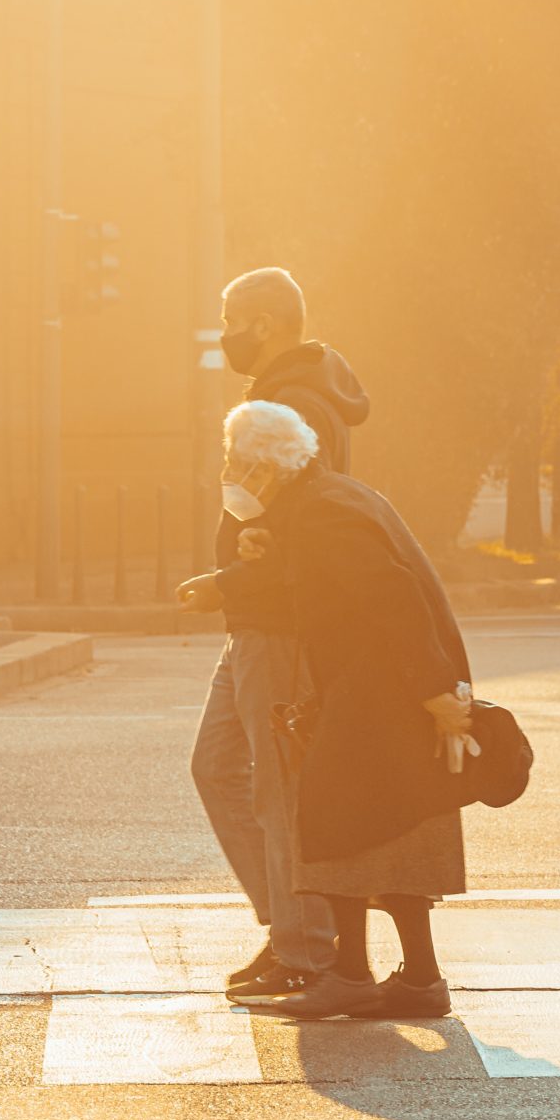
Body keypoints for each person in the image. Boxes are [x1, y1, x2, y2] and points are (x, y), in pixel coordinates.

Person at [180, 399, 475, 1023]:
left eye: (237, 459)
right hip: (368, 684)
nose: (230, 470)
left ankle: (345, 971)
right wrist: (249, 561)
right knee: (372, 829)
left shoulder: (324, 513)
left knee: (337, 821)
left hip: (371, 687)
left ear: (267, 466)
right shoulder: (322, 500)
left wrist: (434, 694)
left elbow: (392, 597)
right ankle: (402, 977)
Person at [185, 268, 369, 1001]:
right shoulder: (300, 394)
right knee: (219, 767)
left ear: (265, 322)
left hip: (281, 622)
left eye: (234, 319)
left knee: (276, 786)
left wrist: (230, 580)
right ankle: (290, 927)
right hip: (258, 621)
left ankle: (305, 947)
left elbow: (289, 527)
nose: (227, 335)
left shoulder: (295, 404)